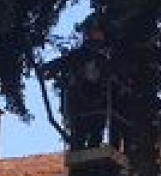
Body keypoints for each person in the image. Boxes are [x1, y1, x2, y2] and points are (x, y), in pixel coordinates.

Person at [46, 19, 112, 151]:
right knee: (80, 137)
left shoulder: (103, 61)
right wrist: (48, 67)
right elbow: (63, 62)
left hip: (97, 104)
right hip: (80, 104)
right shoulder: (79, 55)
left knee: (94, 136)